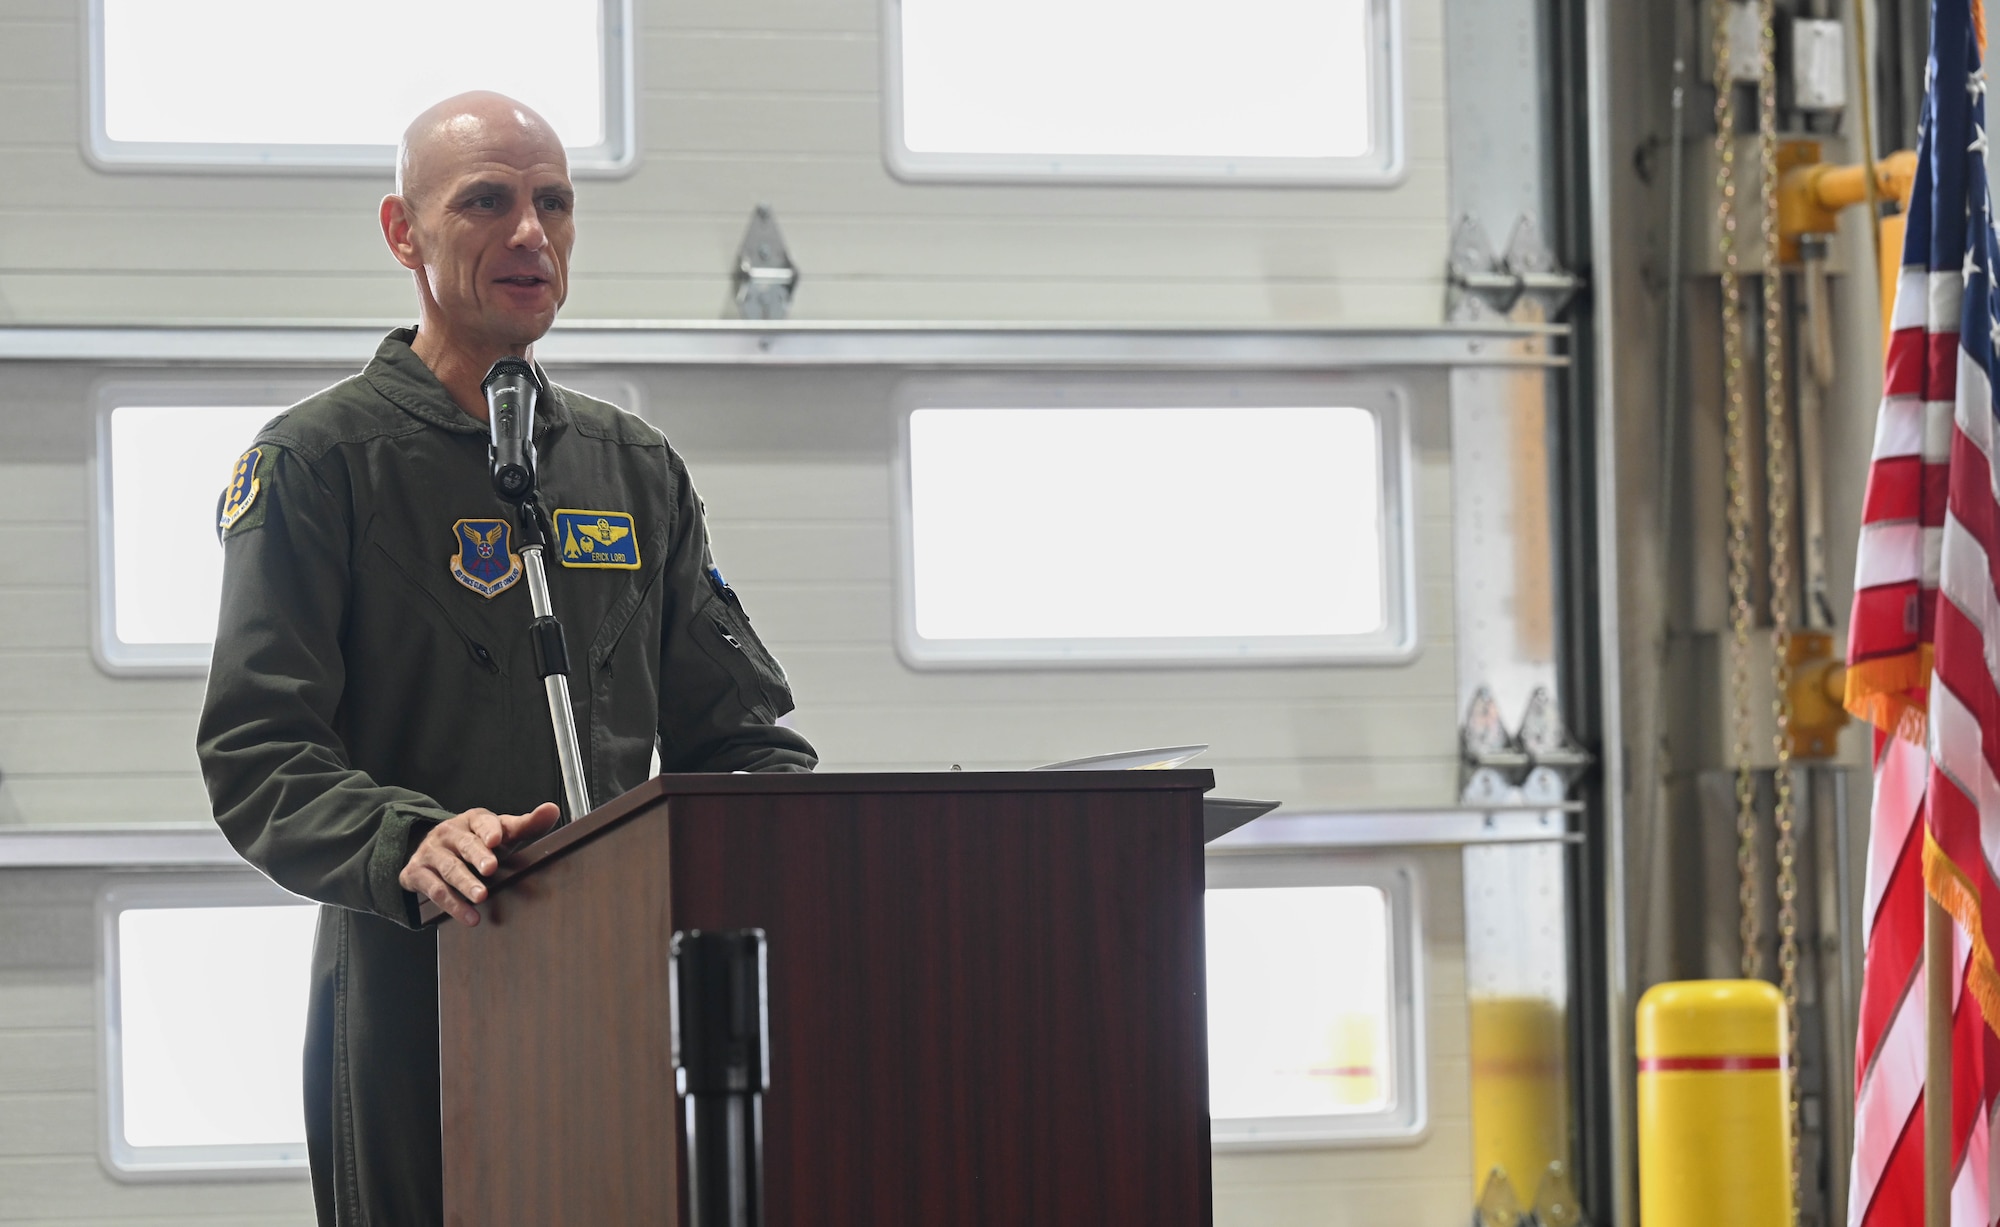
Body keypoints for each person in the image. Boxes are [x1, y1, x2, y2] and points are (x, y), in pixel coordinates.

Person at [195, 92, 816, 1226]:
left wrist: (812, 860)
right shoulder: (319, 465)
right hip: (419, 1000)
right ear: (402, 231)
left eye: (553, 203)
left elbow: (741, 738)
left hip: (644, 999)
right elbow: (259, 750)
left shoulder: (631, 468)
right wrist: (407, 841)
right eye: (486, 201)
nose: (530, 233)